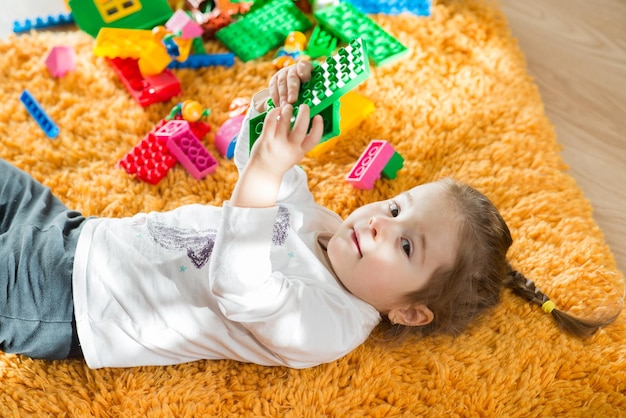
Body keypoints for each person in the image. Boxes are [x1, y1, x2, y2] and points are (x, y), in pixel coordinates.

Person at [0, 62, 615, 369]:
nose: (380, 220)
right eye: (397, 207)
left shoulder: (329, 327)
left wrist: (266, 176)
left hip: (69, 302)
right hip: (78, 233)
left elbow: (240, 286)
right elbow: (265, 168)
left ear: (407, 310)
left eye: (406, 246)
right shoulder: (326, 229)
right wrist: (275, 110)